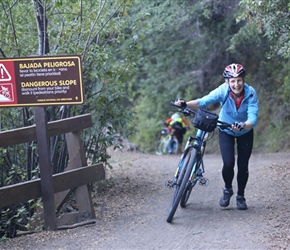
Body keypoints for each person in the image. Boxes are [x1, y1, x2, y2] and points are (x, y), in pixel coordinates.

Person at [175, 63, 259, 210]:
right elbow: (203, 101)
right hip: (226, 129)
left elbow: (252, 119)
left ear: (243, 80)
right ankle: (228, 190)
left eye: (239, 80)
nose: (236, 84)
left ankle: (240, 196)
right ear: (227, 82)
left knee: (243, 165)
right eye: (232, 81)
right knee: (228, 163)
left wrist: (242, 125)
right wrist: (185, 104)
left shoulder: (250, 93)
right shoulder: (223, 90)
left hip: (245, 131)